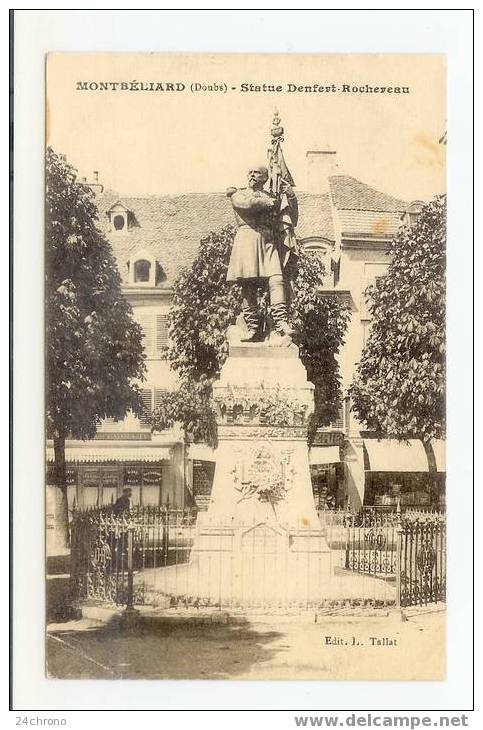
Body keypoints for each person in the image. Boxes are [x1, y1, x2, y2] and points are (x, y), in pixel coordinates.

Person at [226, 165, 296, 342]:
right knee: (248, 287)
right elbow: (246, 205)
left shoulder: (272, 197)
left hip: (267, 241)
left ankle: (281, 322)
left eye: (257, 173)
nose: (252, 175)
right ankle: (252, 327)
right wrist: (266, 201)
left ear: (266, 177)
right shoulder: (238, 193)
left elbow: (290, 218)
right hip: (247, 240)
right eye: (249, 172)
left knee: (276, 279)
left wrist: (290, 196)